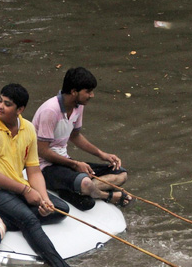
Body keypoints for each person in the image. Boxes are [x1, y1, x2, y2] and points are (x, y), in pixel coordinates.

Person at [0, 83, 88, 267]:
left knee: (59, 209)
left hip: (13, 182)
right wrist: (25, 191)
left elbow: (34, 171)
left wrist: (44, 199)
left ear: (20, 109)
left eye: (7, 104)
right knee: (28, 219)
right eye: (0, 101)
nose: (0, 106)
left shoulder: (28, 129)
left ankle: (5, 221)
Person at [31, 67, 133, 211]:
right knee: (85, 184)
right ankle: (107, 196)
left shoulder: (78, 106)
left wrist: (102, 154)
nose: (92, 95)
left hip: (64, 160)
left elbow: (75, 136)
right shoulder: (51, 111)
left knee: (121, 174)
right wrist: (75, 164)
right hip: (44, 167)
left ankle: (76, 190)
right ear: (74, 91)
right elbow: (42, 151)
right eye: (88, 91)